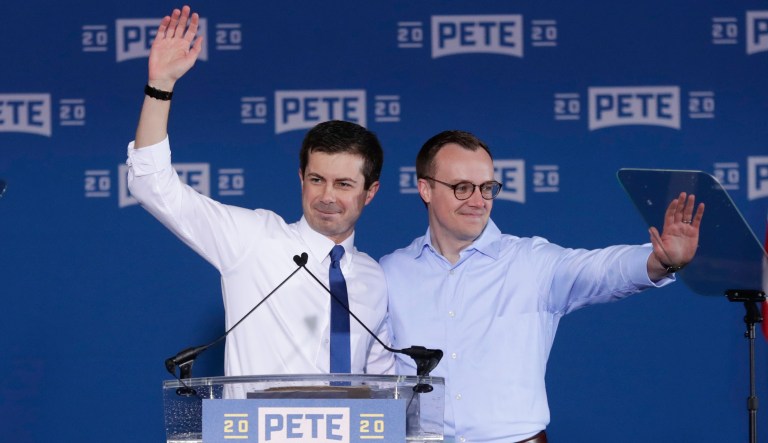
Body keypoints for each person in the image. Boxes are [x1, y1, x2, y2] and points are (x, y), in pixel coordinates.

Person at [380, 130, 705, 443]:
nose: (478, 201)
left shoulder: (531, 262)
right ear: (425, 189)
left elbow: (601, 270)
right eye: (462, 187)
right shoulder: (391, 272)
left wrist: (659, 261)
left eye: (487, 187)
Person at [126, 6, 394, 378]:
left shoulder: (374, 277)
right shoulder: (254, 239)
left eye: (344, 184)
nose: (327, 196)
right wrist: (160, 86)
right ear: (301, 178)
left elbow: (384, 384)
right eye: (317, 179)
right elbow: (151, 184)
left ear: (371, 192)